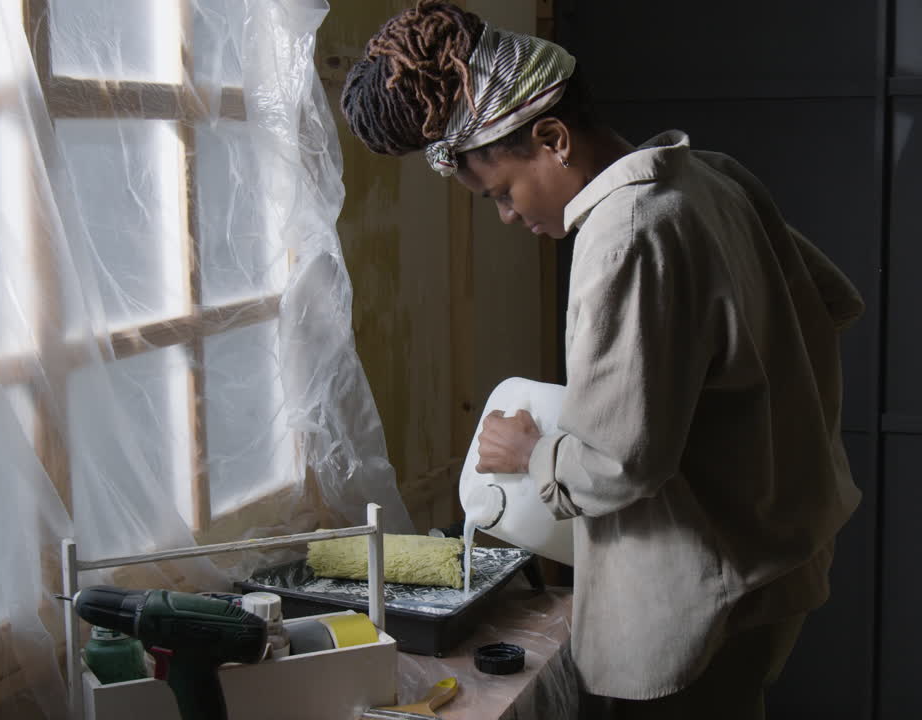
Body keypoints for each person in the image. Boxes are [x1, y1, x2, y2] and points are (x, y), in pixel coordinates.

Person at [341, 3, 864, 718]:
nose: (508, 217)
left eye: (501, 193)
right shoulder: (710, 177)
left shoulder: (625, 233)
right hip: (778, 551)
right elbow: (828, 303)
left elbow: (624, 463)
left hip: (705, 588)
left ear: (552, 137)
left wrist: (533, 452)